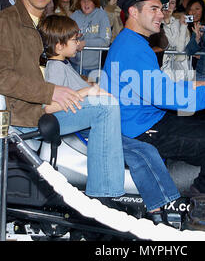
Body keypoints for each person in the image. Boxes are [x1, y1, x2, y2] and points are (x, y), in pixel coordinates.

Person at [101, 0, 205, 233]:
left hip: (147, 120)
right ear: (133, 12)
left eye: (161, 8)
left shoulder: (133, 43)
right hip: (144, 129)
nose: (161, 15)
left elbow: (157, 85)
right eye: (154, 9)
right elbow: (162, 95)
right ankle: (202, 209)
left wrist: (201, 86)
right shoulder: (132, 47)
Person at [0, 0, 125, 202]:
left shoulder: (45, 22)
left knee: (108, 98)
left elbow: (53, 64)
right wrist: (51, 91)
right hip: (28, 115)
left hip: (47, 107)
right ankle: (104, 200)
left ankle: (101, 183)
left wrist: (81, 84)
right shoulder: (5, 22)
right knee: (106, 107)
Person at [39, 14, 180, 221]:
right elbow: (50, 105)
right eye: (74, 40)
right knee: (141, 152)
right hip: (86, 126)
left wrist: (89, 86)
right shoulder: (56, 68)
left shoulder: (64, 66)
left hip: (90, 122)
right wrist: (87, 92)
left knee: (142, 151)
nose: (79, 43)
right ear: (59, 47)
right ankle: (157, 207)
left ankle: (158, 205)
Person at [69, 0, 111, 80]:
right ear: (79, 2)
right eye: (83, 1)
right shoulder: (75, 15)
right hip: (74, 65)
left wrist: (85, 43)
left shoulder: (102, 15)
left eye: (90, 1)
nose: (86, 4)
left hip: (94, 68)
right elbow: (66, 36)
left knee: (92, 93)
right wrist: (75, 37)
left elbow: (105, 41)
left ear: (95, 2)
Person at [160, 0, 194, 82]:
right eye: (166, 2)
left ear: (175, 7)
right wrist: (166, 22)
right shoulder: (154, 23)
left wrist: (183, 27)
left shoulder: (180, 23)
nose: (169, 5)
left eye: (172, 3)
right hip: (160, 69)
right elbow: (165, 45)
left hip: (179, 72)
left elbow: (180, 52)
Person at [185, 0, 205, 83]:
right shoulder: (185, 26)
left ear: (204, 11)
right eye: (190, 9)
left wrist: (202, 54)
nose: (193, 12)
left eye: (197, 9)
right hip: (191, 71)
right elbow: (188, 50)